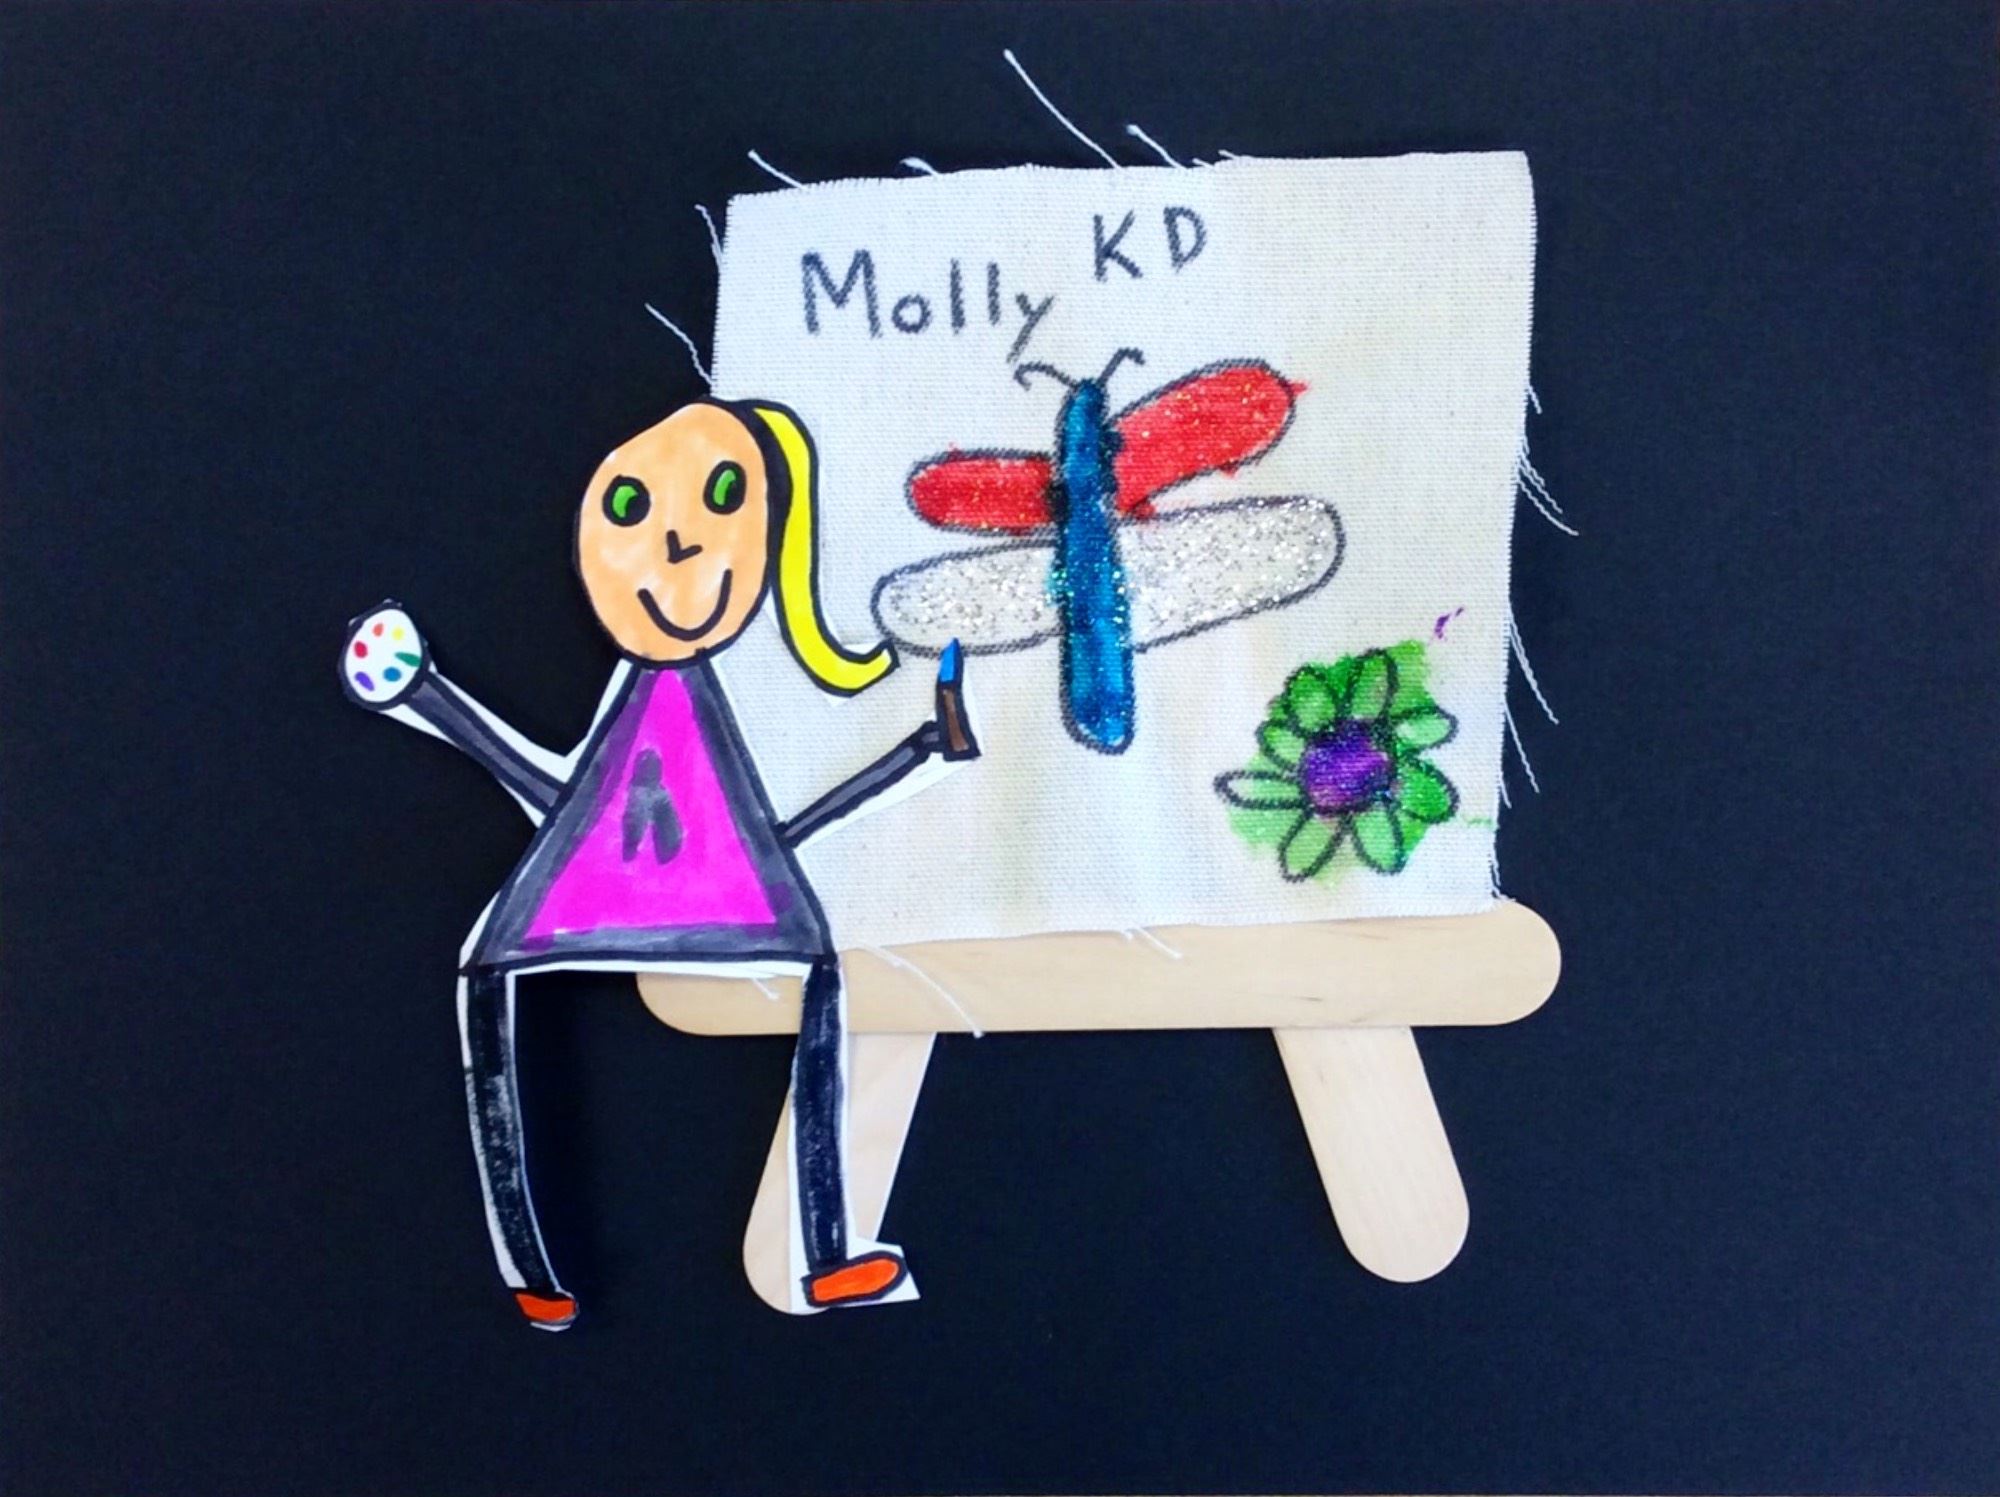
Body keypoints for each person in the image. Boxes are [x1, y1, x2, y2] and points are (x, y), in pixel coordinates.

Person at [339, 399, 979, 1330]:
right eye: (630, 506)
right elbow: (566, 803)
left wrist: (917, 756)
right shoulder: (656, 710)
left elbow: (773, 834)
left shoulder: (701, 717)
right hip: (599, 889)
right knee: (488, 971)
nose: (676, 543)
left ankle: (824, 1253)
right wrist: (430, 700)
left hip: (712, 893)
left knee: (816, 970)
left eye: (722, 496)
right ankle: (531, 1265)